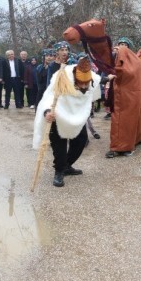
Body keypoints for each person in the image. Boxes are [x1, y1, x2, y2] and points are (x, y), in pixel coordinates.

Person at [33, 53, 101, 187]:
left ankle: (66, 166)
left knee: (81, 141)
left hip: (77, 117)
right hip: (58, 117)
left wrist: (110, 77)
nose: (83, 87)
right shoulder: (61, 79)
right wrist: (47, 112)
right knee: (60, 147)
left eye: (85, 84)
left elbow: (100, 81)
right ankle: (59, 171)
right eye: (80, 84)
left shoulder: (92, 79)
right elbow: (48, 97)